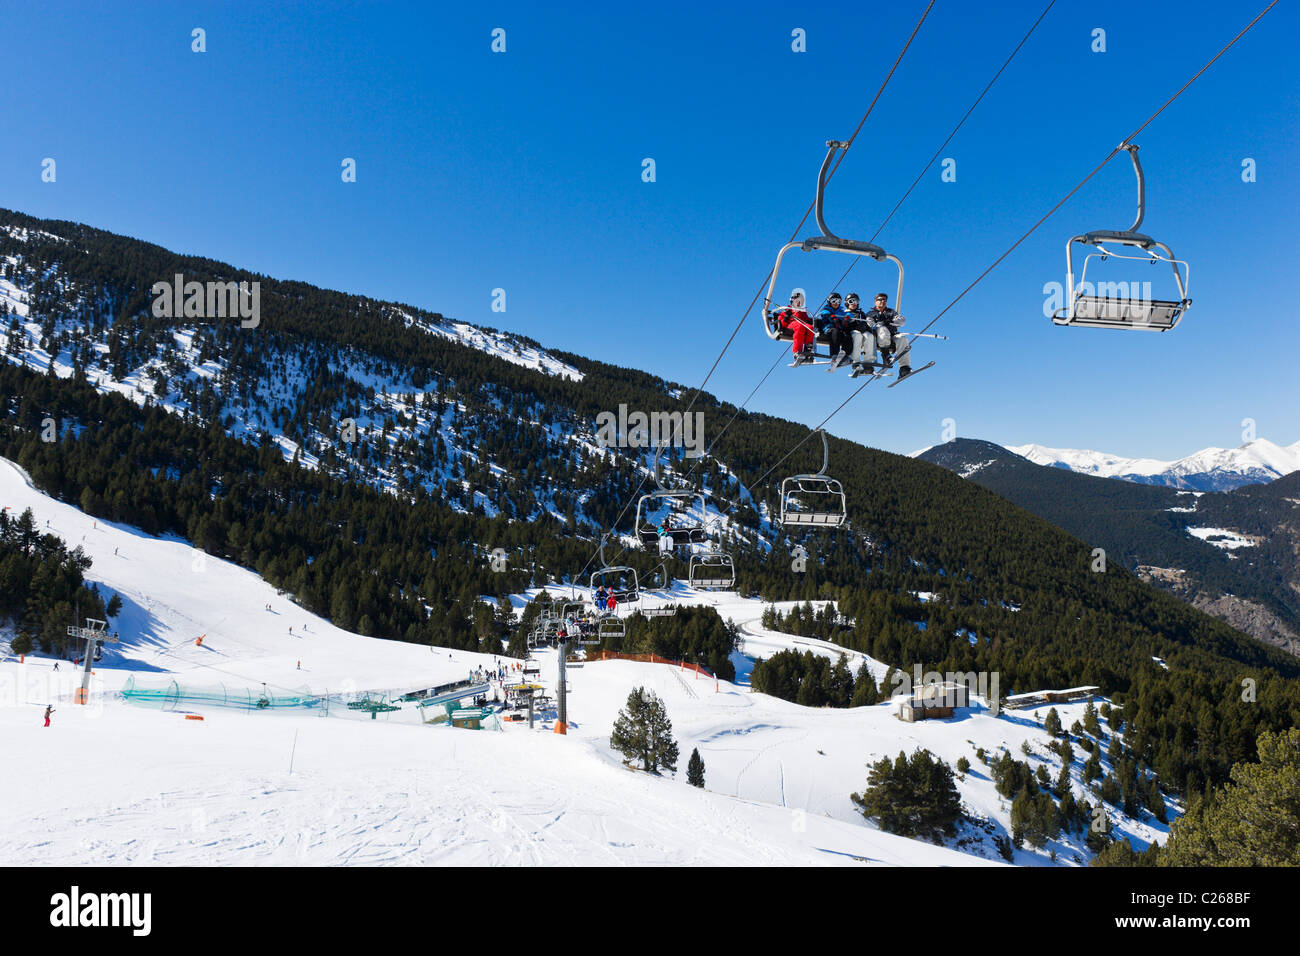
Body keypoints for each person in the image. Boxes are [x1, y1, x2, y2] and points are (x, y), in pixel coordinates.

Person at [865, 292, 912, 379]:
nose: (882, 301)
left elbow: (902, 321)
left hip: (892, 337)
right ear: (875, 301)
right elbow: (869, 323)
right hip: (879, 339)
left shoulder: (891, 312)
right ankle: (886, 355)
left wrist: (891, 321)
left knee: (902, 338)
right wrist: (878, 324)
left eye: (884, 300)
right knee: (883, 329)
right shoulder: (871, 313)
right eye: (880, 299)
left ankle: (904, 368)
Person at [773, 290, 816, 365]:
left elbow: (806, 320)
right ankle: (797, 351)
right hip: (791, 325)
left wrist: (809, 321)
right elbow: (782, 323)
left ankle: (808, 349)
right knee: (799, 326)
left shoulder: (802, 311)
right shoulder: (787, 310)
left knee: (810, 327)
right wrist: (786, 317)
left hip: (802, 324)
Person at [816, 292, 852, 369]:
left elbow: (848, 314)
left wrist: (847, 318)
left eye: (838, 301)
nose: (836, 303)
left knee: (847, 336)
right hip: (829, 329)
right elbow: (824, 312)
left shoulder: (840, 311)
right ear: (829, 302)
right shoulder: (826, 309)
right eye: (834, 301)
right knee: (835, 332)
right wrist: (831, 316)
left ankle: (845, 355)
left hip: (839, 330)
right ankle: (834, 355)